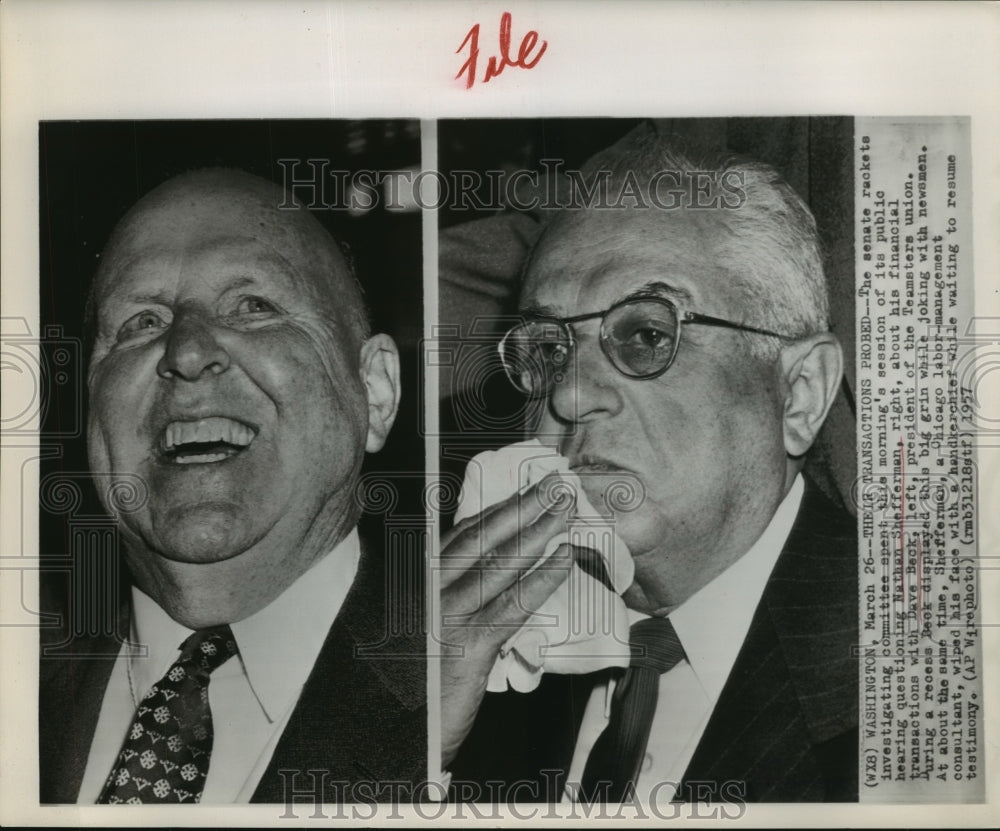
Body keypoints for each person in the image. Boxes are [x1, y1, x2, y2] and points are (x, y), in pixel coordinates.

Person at [439, 124, 858, 803]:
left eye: (645, 334)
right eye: (547, 349)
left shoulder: (925, 666)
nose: (569, 394)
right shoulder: (483, 669)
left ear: (801, 391)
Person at [39, 169, 425, 804]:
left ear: (375, 392)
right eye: (140, 321)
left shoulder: (503, 698)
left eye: (255, 307)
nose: (187, 352)